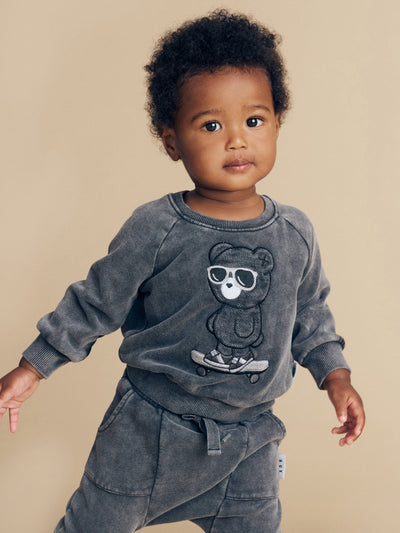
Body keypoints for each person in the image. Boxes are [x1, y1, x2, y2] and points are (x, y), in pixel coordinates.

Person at [0, 9, 365, 533]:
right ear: (172, 141)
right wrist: (33, 366)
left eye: (254, 120)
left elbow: (309, 314)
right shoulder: (157, 227)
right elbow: (95, 303)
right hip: (149, 432)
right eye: (211, 125)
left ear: (277, 123)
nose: (236, 140)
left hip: (250, 440)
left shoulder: (295, 232)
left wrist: (336, 376)